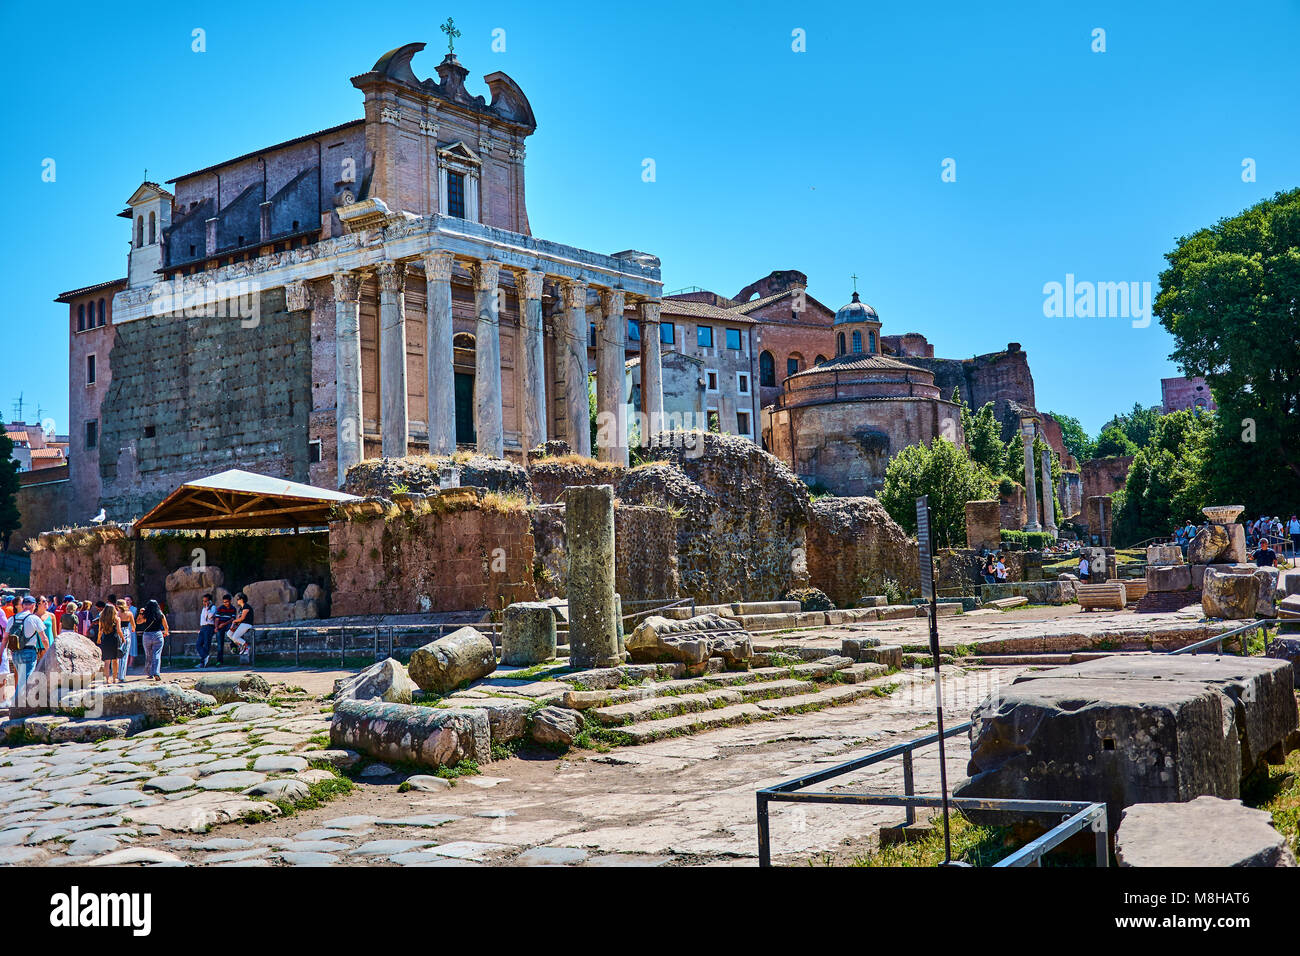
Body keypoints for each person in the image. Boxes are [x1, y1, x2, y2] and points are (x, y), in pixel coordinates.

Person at [12, 595, 45, 689]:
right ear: (34, 605)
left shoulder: (13, 618)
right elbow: (44, 638)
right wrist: (48, 650)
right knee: (25, 682)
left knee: (21, 680)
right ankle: (17, 701)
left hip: (16, 652)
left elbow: (6, 637)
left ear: (23, 605)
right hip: (29, 651)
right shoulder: (34, 618)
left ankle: (18, 700)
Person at [135, 599, 169, 681]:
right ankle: (156, 672)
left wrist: (140, 613)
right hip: (158, 634)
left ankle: (149, 672)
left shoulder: (145, 614)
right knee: (156, 654)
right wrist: (166, 633)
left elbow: (138, 622)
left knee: (148, 654)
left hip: (147, 635)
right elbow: (166, 626)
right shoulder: (160, 614)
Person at [96, 604, 123, 684]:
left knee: (107, 662)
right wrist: (123, 638)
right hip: (114, 640)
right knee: (115, 660)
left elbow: (100, 631)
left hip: (106, 640)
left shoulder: (102, 619)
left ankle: (107, 680)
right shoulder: (117, 619)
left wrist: (98, 639)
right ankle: (114, 678)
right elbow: (119, 631)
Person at [228, 593, 254, 659]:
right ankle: (241, 645)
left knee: (235, 637)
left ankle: (247, 647)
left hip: (246, 624)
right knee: (229, 634)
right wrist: (234, 625)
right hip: (241, 624)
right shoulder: (240, 609)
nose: (237, 600)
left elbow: (242, 618)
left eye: (238, 599)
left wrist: (234, 621)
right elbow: (239, 618)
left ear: (242, 600)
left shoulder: (246, 606)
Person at [213, 594, 237, 666]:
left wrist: (223, 624)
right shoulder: (220, 608)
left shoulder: (233, 608)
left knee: (232, 628)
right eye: (224, 602)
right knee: (220, 644)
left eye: (227, 602)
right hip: (220, 626)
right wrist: (216, 627)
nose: (225, 603)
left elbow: (232, 619)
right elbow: (217, 619)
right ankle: (219, 661)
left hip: (227, 624)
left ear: (230, 601)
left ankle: (233, 646)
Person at [116, 600, 134, 681]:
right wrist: (133, 629)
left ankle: (115, 674)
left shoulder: (117, 613)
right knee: (124, 655)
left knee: (116, 655)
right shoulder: (129, 613)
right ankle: (122, 676)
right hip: (126, 632)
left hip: (117, 632)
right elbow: (133, 625)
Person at [196, 593, 216, 668]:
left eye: (206, 601)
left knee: (206, 645)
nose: (204, 603)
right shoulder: (203, 609)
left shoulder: (213, 607)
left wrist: (208, 608)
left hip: (209, 627)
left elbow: (210, 616)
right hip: (203, 627)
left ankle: (203, 662)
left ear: (210, 601)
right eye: (203, 601)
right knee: (198, 644)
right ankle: (205, 656)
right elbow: (203, 619)